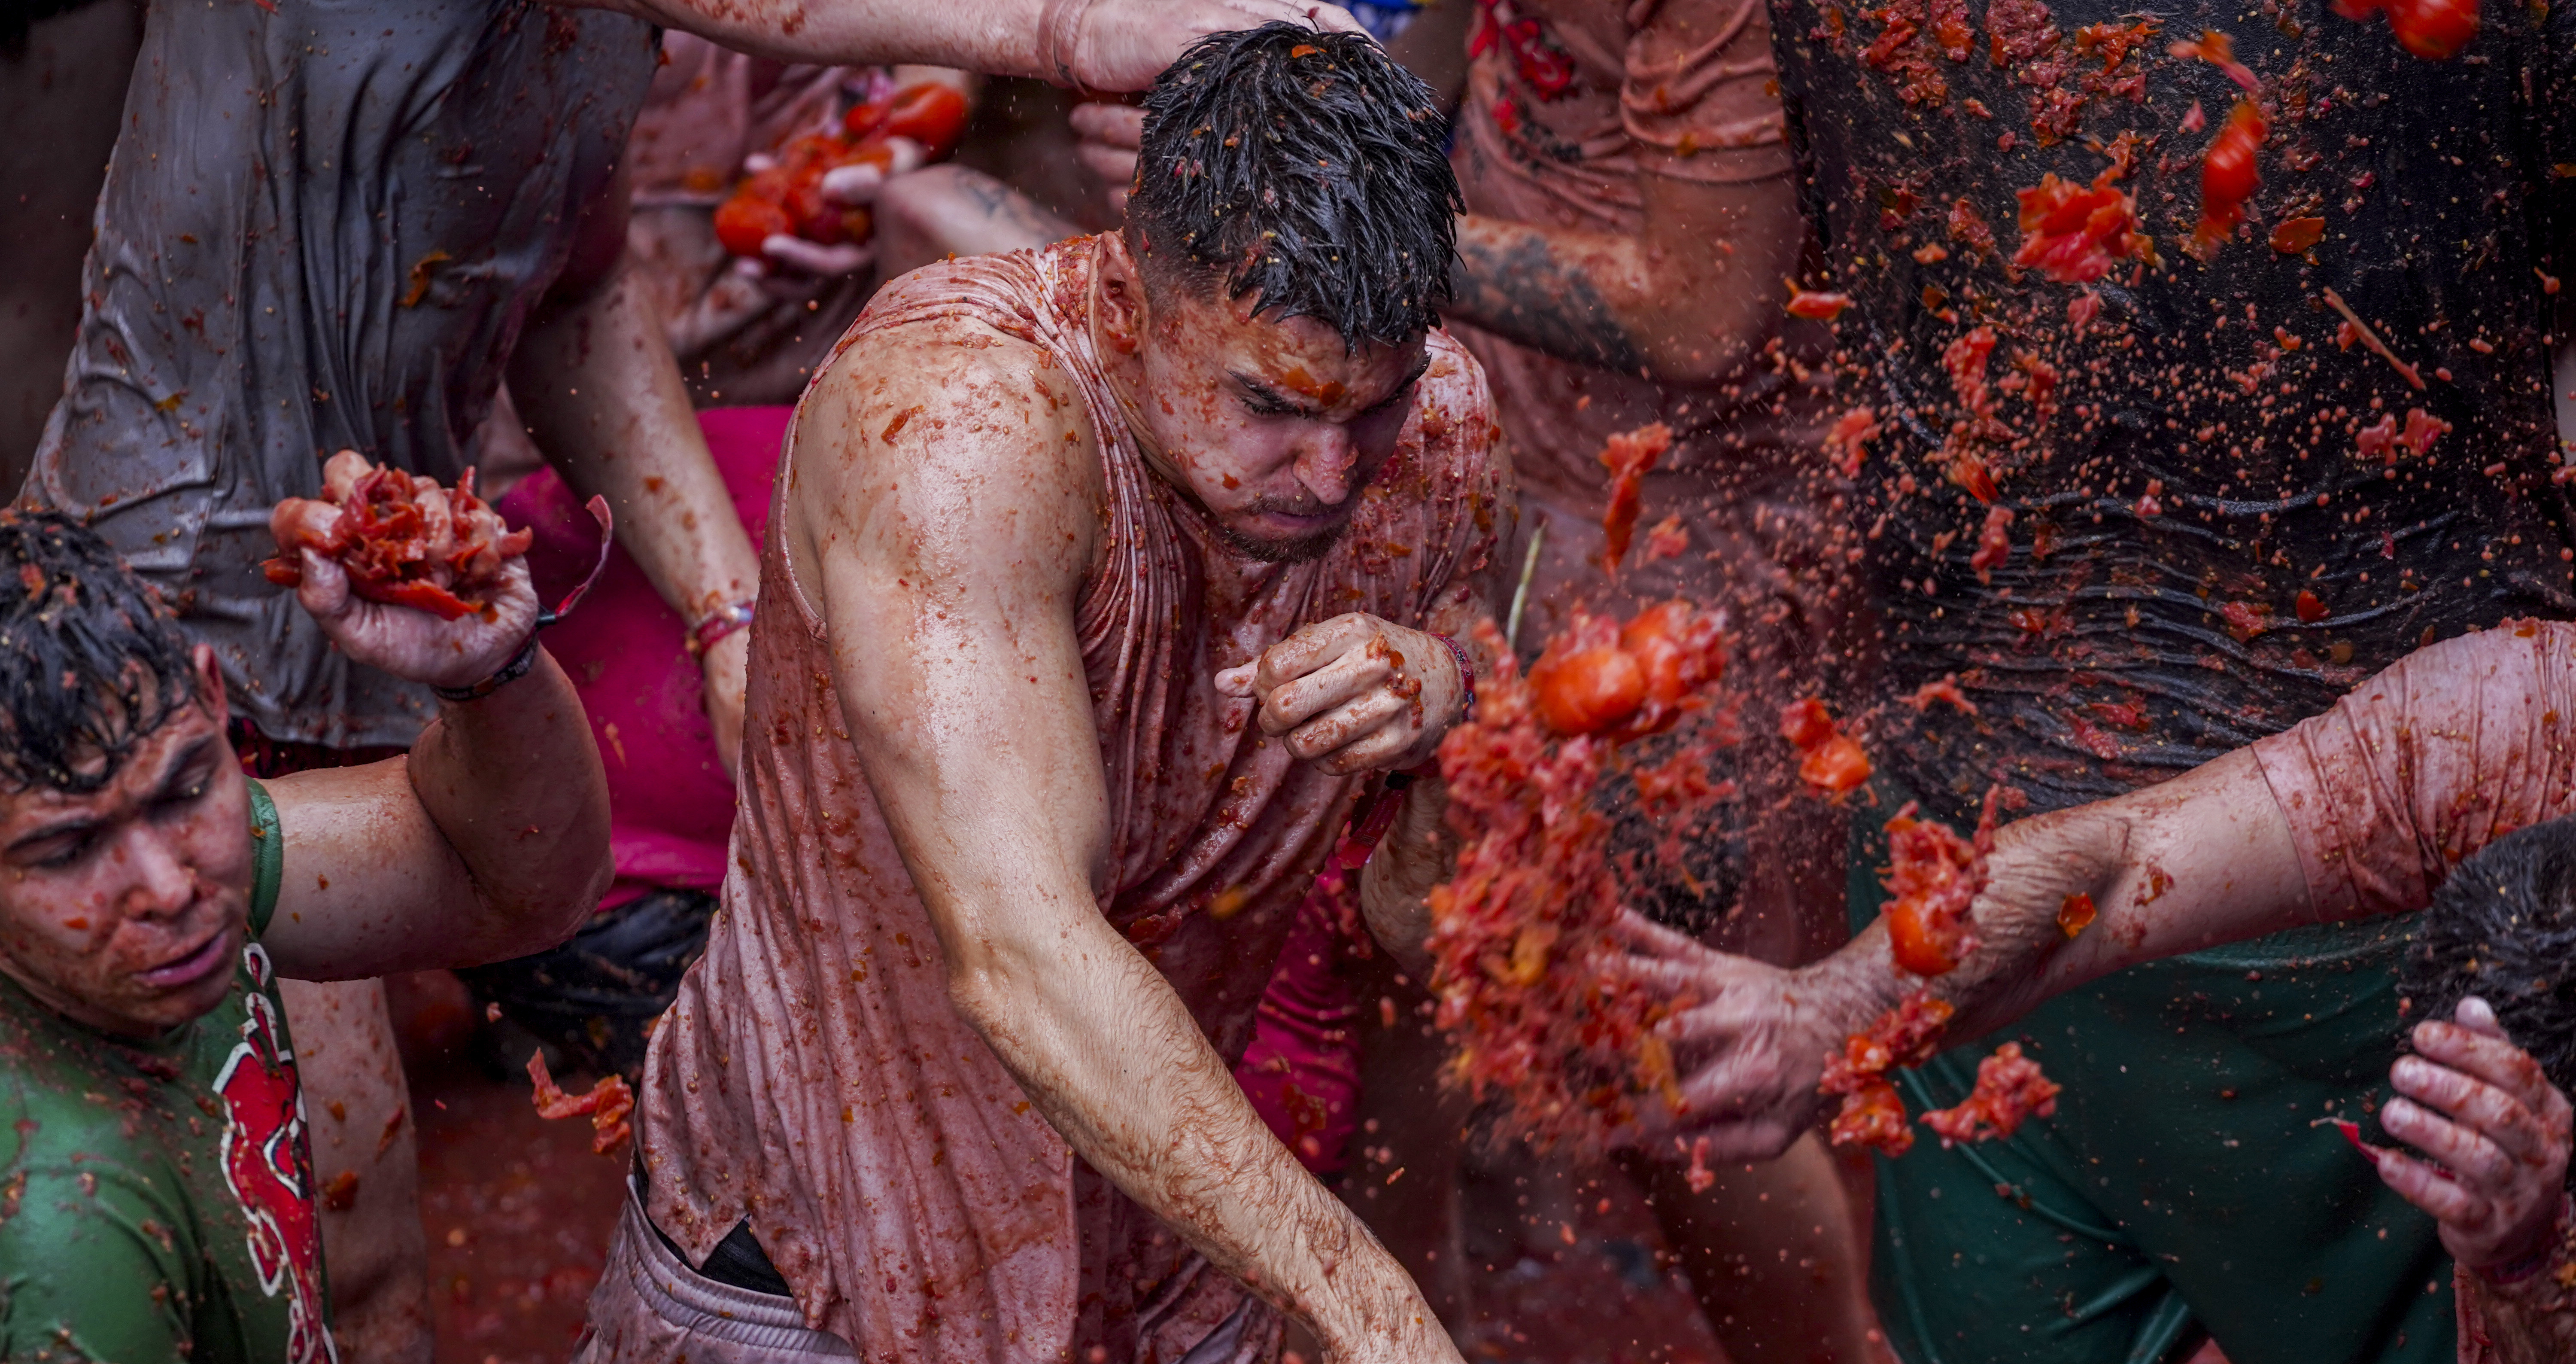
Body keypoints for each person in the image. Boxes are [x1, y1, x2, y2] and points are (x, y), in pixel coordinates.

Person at [25, 0, 1355, 1353]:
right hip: (170, 650)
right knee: (189, 1229)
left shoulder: (596, 41)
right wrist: (1073, 30)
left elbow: (578, 299)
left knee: (350, 1256)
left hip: (385, 637)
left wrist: (726, 621)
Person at [596, 25, 1502, 1363]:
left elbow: (1420, 936)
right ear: (1129, 305)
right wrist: (1371, 1306)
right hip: (815, 1249)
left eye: (1370, 410)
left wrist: (1451, 721)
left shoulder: (1439, 437)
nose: (1328, 474)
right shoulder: (963, 426)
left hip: (1171, 1237)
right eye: (1269, 403)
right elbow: (1021, 954)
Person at [0, 508, 610, 1361]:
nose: (172, 887)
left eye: (182, 790)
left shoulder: (170, 836)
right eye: (67, 849)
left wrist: (488, 667)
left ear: (214, 700)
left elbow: (524, 887)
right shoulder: (65, 1230)